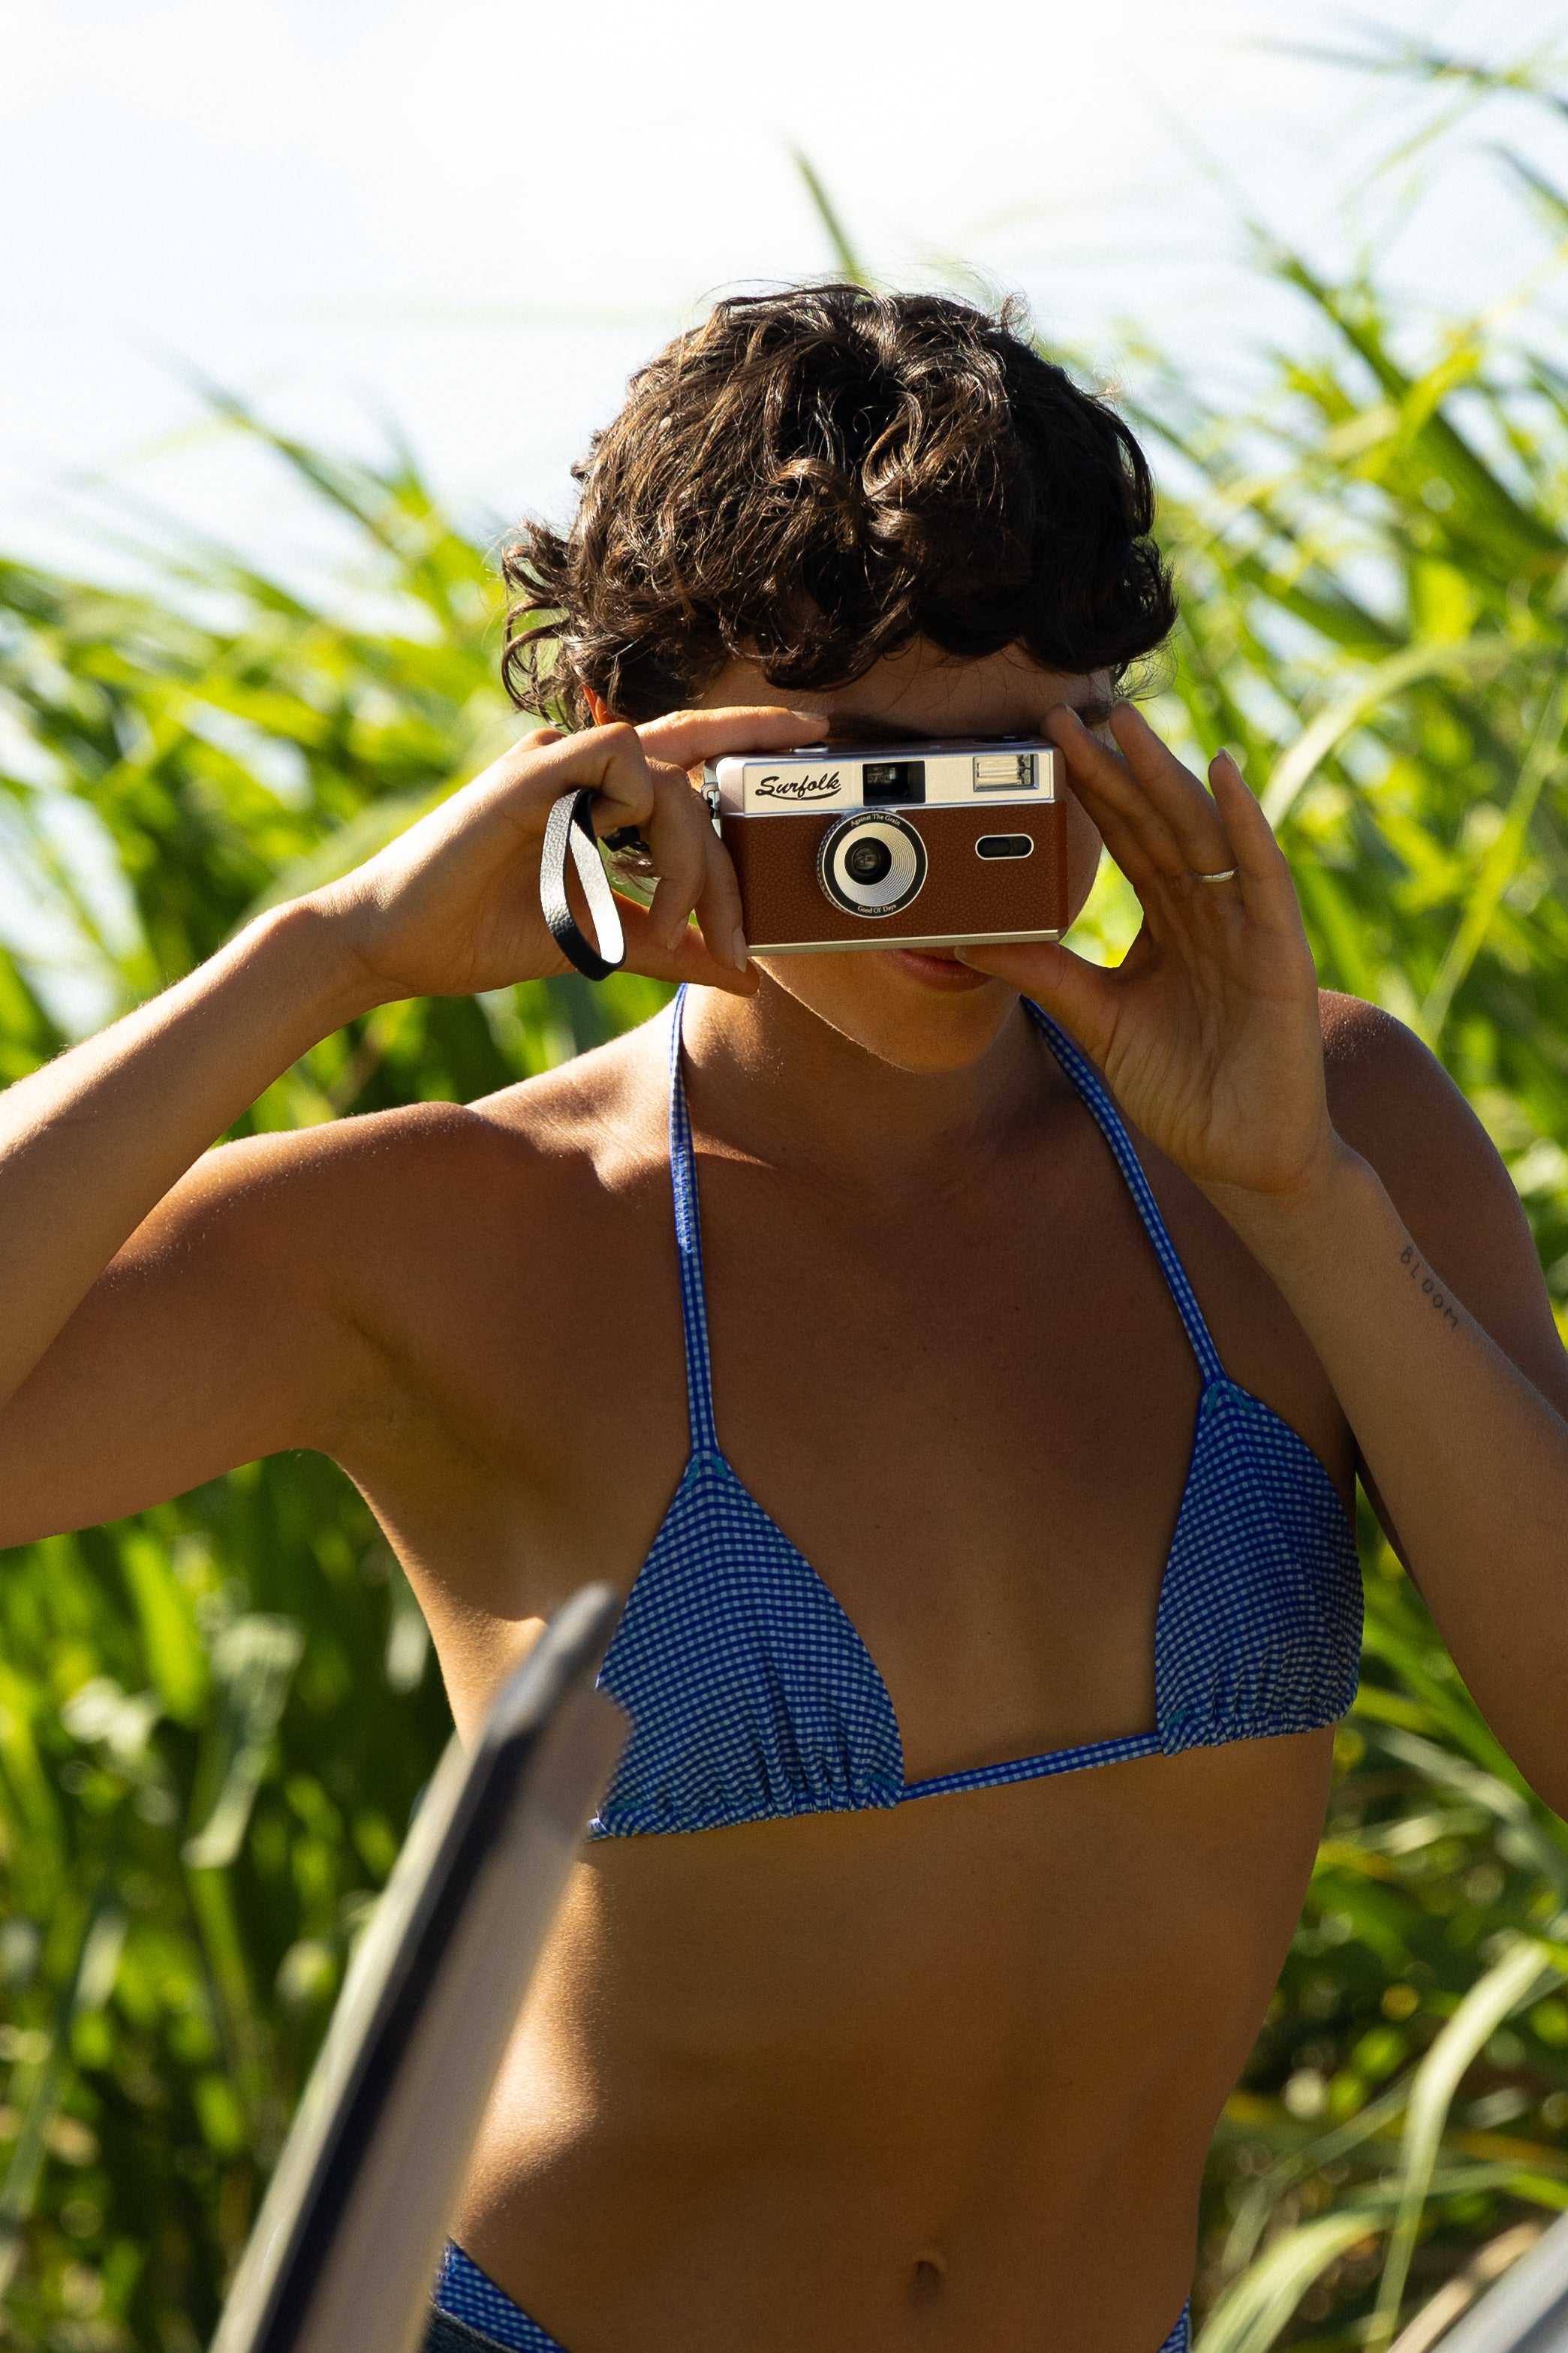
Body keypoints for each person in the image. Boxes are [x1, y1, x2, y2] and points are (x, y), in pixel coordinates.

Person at [3, 285, 1566, 2353]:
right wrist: (329, 955)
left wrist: (1302, 1206)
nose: (947, 852)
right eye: (857, 773)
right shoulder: (465, 1235)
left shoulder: (1315, 1137)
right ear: (630, 742)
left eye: (1028, 752)